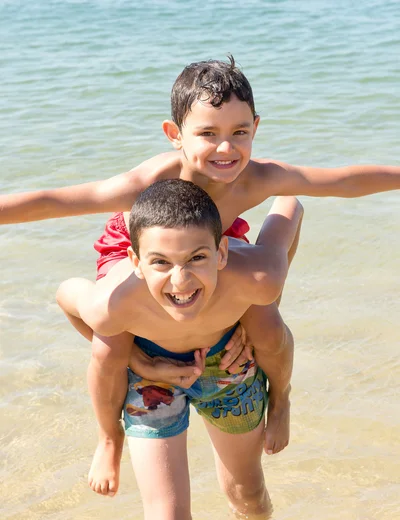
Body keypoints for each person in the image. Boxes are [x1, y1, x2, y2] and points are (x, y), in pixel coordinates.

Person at [2, 55, 399, 493]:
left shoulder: (256, 178)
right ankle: (108, 436)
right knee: (108, 329)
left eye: (239, 133)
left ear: (256, 128)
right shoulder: (146, 183)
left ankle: (281, 399)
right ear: (175, 135)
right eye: (208, 134)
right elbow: (52, 202)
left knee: (266, 320)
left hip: (215, 244)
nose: (226, 148)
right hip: (140, 249)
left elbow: (343, 181)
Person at [56, 178, 304, 520]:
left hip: (227, 365)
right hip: (151, 377)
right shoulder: (116, 301)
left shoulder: (253, 277)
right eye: (161, 263)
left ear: (222, 252)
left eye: (197, 258)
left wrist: (258, 309)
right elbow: (66, 295)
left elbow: (290, 206)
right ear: (135, 261)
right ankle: (108, 441)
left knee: (249, 495)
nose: (180, 280)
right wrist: (138, 360)